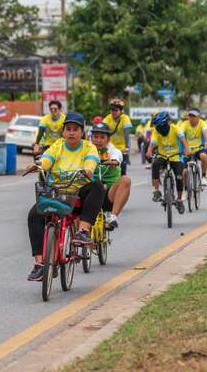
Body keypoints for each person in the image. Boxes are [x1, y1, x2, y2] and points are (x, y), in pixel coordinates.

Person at [26, 112, 104, 281]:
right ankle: (39, 264)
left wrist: (89, 169)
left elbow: (92, 159)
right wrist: (38, 165)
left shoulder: (88, 146)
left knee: (97, 187)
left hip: (78, 193)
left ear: (82, 132)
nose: (71, 132)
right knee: (34, 215)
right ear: (63, 132)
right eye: (68, 129)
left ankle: (83, 231)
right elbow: (47, 159)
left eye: (75, 129)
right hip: (57, 193)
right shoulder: (58, 145)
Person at [90, 122, 131, 229]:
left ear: (108, 140)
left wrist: (114, 160)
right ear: (91, 138)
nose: (98, 140)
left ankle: (113, 218)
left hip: (109, 194)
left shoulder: (112, 150)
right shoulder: (86, 150)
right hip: (91, 193)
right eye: (96, 137)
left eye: (102, 137)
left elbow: (117, 154)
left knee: (126, 179)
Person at [146, 111, 188, 214]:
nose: (158, 129)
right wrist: (149, 150)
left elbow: (182, 139)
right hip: (162, 155)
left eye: (159, 127)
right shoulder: (157, 132)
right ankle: (156, 191)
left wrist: (186, 149)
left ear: (165, 124)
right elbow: (153, 142)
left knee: (179, 177)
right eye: (157, 127)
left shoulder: (175, 128)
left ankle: (179, 200)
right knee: (155, 165)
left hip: (176, 156)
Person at [179, 108, 207, 187]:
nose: (191, 118)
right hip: (187, 150)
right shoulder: (184, 124)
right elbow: (181, 135)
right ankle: (186, 189)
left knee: (204, 156)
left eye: (193, 116)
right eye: (190, 116)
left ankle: (203, 176)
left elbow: (205, 132)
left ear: (198, 117)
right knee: (185, 172)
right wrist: (184, 147)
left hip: (199, 148)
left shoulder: (202, 123)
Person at [103, 99, 132, 176]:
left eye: (116, 110)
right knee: (108, 170)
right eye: (112, 110)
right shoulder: (108, 118)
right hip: (111, 148)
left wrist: (126, 147)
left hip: (123, 148)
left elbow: (127, 133)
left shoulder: (125, 118)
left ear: (121, 111)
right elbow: (103, 130)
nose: (113, 112)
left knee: (122, 171)